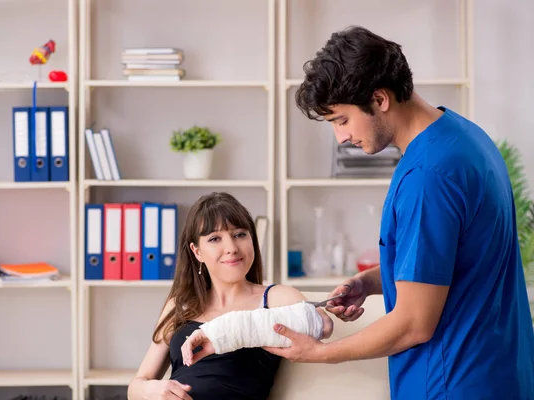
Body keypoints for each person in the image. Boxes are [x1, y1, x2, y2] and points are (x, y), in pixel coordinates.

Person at [264, 26, 534, 399]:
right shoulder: (466, 138)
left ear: (379, 99)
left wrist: (321, 353)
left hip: (451, 383)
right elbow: (454, 261)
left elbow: (413, 325)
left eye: (341, 120)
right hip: (501, 374)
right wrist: (371, 281)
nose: (341, 138)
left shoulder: (427, 176)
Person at [127, 192, 333, 400]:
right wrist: (151, 390)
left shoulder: (277, 298)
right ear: (196, 251)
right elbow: (137, 386)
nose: (232, 248)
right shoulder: (180, 306)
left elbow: (319, 324)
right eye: (215, 238)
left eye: (240, 235)